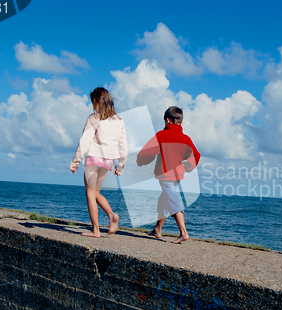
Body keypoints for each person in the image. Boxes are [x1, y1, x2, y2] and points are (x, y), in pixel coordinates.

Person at [136, 106, 200, 244]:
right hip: (177, 175)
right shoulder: (185, 139)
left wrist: (140, 161)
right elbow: (196, 155)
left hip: (165, 174)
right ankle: (158, 230)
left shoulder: (161, 135)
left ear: (168, 120)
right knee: (164, 200)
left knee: (172, 201)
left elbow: (147, 152)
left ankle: (183, 233)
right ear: (181, 122)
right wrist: (186, 167)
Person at [69, 87, 128, 238]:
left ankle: (96, 229)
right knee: (95, 192)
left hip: (94, 157)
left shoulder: (94, 118)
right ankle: (112, 216)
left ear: (96, 101)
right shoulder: (119, 120)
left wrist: (75, 161)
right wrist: (120, 166)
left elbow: (84, 141)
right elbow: (124, 146)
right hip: (108, 160)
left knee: (90, 193)